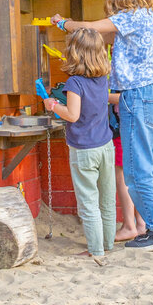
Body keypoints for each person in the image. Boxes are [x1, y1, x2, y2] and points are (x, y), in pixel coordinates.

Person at [51, 0, 153, 251]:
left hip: (139, 96)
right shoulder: (143, 16)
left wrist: (64, 23)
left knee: (137, 172)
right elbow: (104, 35)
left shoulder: (131, 17)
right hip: (151, 95)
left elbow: (88, 28)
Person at [44, 27, 116, 258]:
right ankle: (108, 244)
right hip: (106, 146)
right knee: (106, 199)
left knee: (88, 202)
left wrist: (54, 106)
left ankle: (95, 250)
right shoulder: (102, 79)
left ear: (75, 53)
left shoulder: (75, 83)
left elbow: (73, 115)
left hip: (84, 149)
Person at [109, 93, 146, 242]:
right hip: (136, 124)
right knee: (135, 175)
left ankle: (129, 226)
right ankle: (141, 224)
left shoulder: (126, 73)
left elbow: (125, 97)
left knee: (122, 176)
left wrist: (98, 93)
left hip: (125, 126)